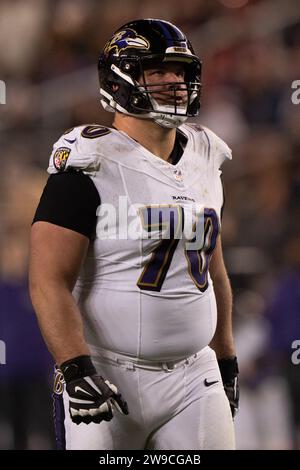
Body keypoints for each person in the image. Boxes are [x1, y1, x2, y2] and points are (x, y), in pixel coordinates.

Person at [29, 19, 239, 450]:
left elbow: (213, 271)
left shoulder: (204, 154)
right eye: (157, 71)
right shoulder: (89, 161)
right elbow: (48, 280)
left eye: (179, 71)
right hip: (108, 373)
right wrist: (74, 365)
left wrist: (226, 353)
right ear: (120, 78)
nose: (174, 82)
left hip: (193, 378)